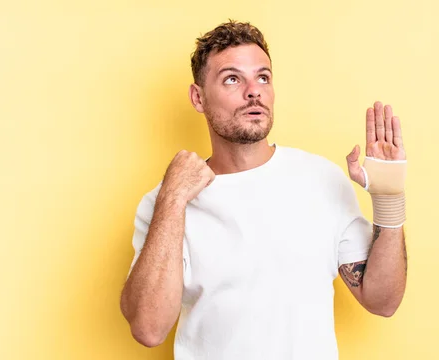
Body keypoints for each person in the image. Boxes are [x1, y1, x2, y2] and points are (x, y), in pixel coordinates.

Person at [120, 19, 408, 360]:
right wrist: (172, 200)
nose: (253, 91)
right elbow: (148, 328)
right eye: (232, 79)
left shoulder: (321, 180)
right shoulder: (166, 202)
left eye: (263, 77)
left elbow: (383, 301)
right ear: (198, 98)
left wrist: (389, 198)